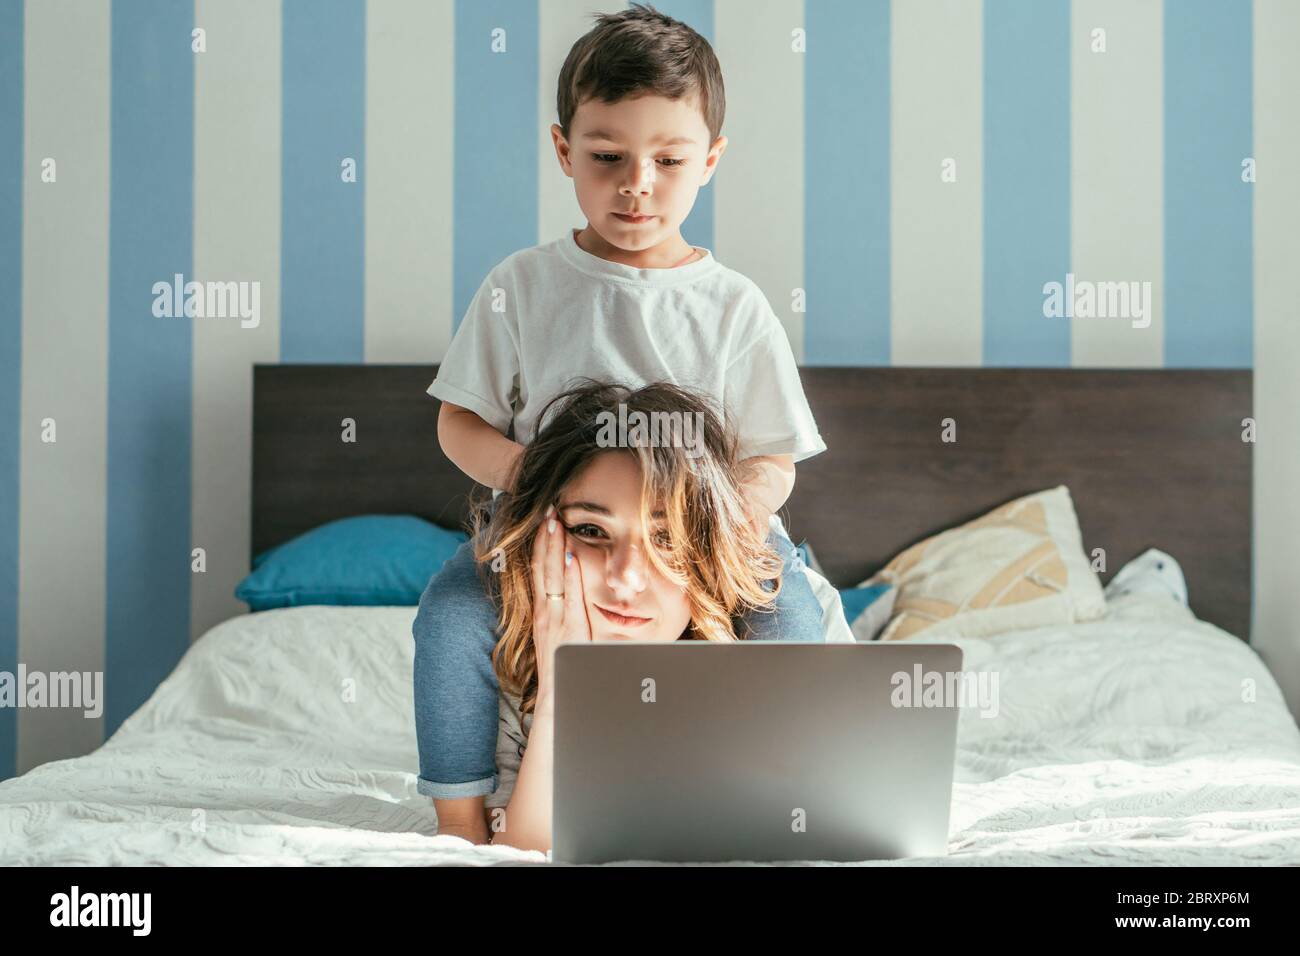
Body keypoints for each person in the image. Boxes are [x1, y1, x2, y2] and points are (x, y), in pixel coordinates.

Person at [415, 3, 847, 841]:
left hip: (703, 537)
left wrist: (721, 523)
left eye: (668, 159)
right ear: (563, 150)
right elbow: (457, 424)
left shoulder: (733, 307)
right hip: (557, 526)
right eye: (607, 156)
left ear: (710, 160)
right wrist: (534, 484)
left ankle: (796, 803)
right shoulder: (524, 286)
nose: (635, 183)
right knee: (451, 612)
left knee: (790, 621)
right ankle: (462, 816)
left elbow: (773, 460)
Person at [454, 381, 806, 852]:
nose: (626, 580)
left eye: (667, 539)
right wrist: (565, 681)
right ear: (541, 539)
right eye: (590, 530)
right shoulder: (496, 671)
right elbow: (524, 852)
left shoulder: (792, 650)